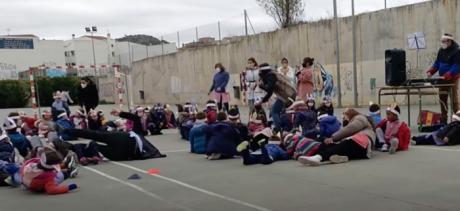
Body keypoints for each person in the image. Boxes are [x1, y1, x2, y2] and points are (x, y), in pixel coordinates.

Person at [298, 108, 376, 166]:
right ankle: (317, 156)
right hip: (359, 149)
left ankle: (319, 157)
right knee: (328, 144)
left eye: (345, 115)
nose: (344, 117)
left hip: (363, 143)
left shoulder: (360, 118)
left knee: (344, 144)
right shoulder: (355, 120)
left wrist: (333, 138)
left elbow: (350, 129)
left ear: (349, 114)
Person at [426, 33, 460, 124]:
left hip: (452, 79)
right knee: (442, 98)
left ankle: (457, 119)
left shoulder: (457, 51)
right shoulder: (441, 50)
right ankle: (444, 119)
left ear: (450, 41)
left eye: (444, 41)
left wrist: (449, 74)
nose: (443, 43)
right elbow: (437, 63)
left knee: (454, 101)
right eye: (442, 41)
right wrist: (431, 71)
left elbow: (457, 66)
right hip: (442, 79)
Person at [256, 63, 297, 134]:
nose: (259, 73)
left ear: (263, 71)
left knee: (274, 111)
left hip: (286, 96)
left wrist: (261, 86)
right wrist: (263, 101)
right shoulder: (271, 74)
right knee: (277, 111)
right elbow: (270, 92)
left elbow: (269, 88)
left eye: (260, 71)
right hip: (286, 95)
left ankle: (278, 129)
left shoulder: (270, 76)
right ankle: (281, 127)